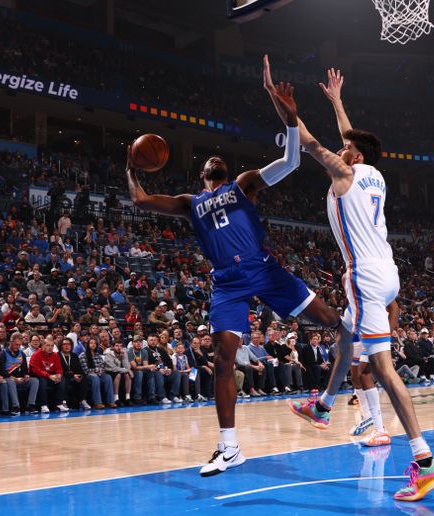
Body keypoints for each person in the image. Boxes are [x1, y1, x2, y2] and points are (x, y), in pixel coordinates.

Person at [126, 57, 342, 477]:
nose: (212, 162)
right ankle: (229, 447)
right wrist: (130, 167)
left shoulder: (244, 183)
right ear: (202, 176)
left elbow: (290, 163)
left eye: (216, 160)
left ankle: (355, 401)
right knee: (223, 359)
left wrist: (292, 118)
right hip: (227, 283)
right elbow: (140, 200)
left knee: (335, 319)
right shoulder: (191, 204)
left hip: (263, 269)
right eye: (207, 163)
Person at [286, 63, 434, 502]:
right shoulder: (373, 173)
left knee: (382, 368)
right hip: (388, 271)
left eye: (346, 148)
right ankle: (322, 407)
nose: (342, 148)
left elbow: (315, 143)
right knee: (344, 333)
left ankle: (425, 459)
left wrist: (287, 111)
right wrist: (337, 101)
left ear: (352, 156)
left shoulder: (344, 172)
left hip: (366, 277)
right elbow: (349, 136)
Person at [0, 333, 40, 414]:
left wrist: (26, 375)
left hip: (20, 380)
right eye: (16, 344)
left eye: (19, 345)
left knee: (35, 380)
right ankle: (16, 407)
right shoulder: (3, 353)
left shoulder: (22, 354)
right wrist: (15, 379)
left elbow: (25, 369)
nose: (18, 346)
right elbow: (2, 371)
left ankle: (30, 405)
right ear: (10, 342)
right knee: (11, 381)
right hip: (9, 379)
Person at [29, 337, 69, 413]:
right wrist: (49, 376)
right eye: (48, 345)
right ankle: (43, 405)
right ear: (42, 346)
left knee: (62, 379)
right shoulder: (36, 355)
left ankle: (59, 403)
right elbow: (36, 370)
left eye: (52, 346)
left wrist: (59, 375)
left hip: (50, 377)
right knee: (42, 380)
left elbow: (59, 368)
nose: (50, 348)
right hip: (38, 376)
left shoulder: (55, 355)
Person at [79, 337, 116, 409]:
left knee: (108, 377)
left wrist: (98, 371)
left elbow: (103, 368)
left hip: (99, 374)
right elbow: (85, 370)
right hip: (88, 376)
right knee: (95, 378)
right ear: (88, 345)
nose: (93, 345)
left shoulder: (98, 355)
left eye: (94, 343)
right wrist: (97, 370)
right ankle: (97, 402)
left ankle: (111, 401)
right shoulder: (83, 355)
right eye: (91, 343)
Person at [58, 337, 88, 410]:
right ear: (61, 346)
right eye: (64, 344)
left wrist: (79, 376)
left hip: (74, 377)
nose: (67, 346)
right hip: (64, 376)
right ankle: (63, 401)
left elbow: (80, 370)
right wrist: (72, 375)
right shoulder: (57, 355)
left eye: (69, 344)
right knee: (64, 379)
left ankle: (83, 400)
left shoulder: (74, 356)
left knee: (83, 378)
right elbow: (59, 371)